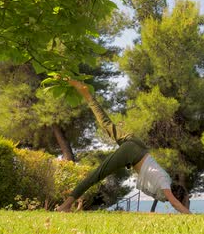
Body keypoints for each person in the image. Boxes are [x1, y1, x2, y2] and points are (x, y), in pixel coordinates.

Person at [56, 79, 191, 214]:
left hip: (138, 146)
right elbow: (174, 202)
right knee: (96, 175)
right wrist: (190, 215)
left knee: (106, 124)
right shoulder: (164, 184)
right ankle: (65, 206)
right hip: (132, 153)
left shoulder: (166, 179)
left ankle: (87, 94)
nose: (170, 202)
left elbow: (175, 200)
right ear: (175, 195)